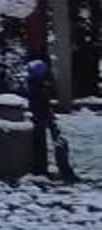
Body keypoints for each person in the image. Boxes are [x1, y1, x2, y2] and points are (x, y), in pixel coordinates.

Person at [23, 55, 80, 183]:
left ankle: (43, 169)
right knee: (55, 141)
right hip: (41, 114)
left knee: (46, 141)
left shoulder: (35, 84)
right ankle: (62, 170)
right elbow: (42, 101)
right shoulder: (40, 86)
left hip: (39, 115)